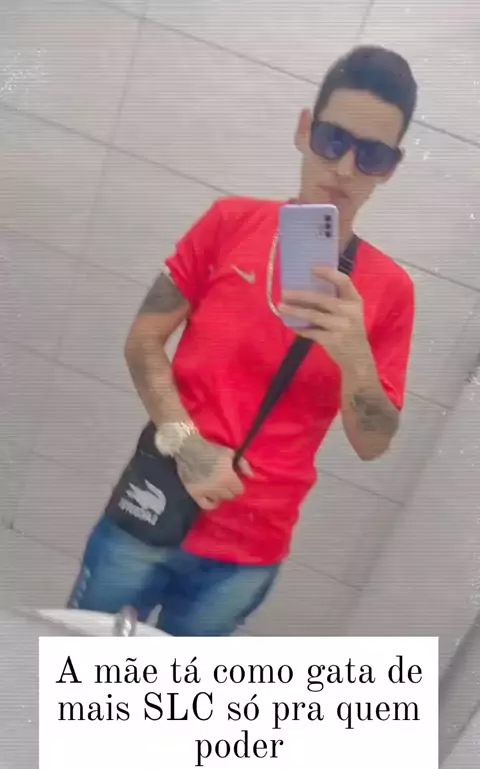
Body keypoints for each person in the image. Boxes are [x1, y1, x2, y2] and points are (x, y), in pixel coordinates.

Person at [67, 45, 417, 635]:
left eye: (372, 154)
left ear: (390, 168)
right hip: (155, 502)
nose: (345, 168)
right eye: (333, 140)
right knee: (79, 669)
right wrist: (187, 445)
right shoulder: (229, 223)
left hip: (248, 552)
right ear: (304, 130)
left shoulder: (390, 291)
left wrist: (355, 357)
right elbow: (144, 342)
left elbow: (372, 443)